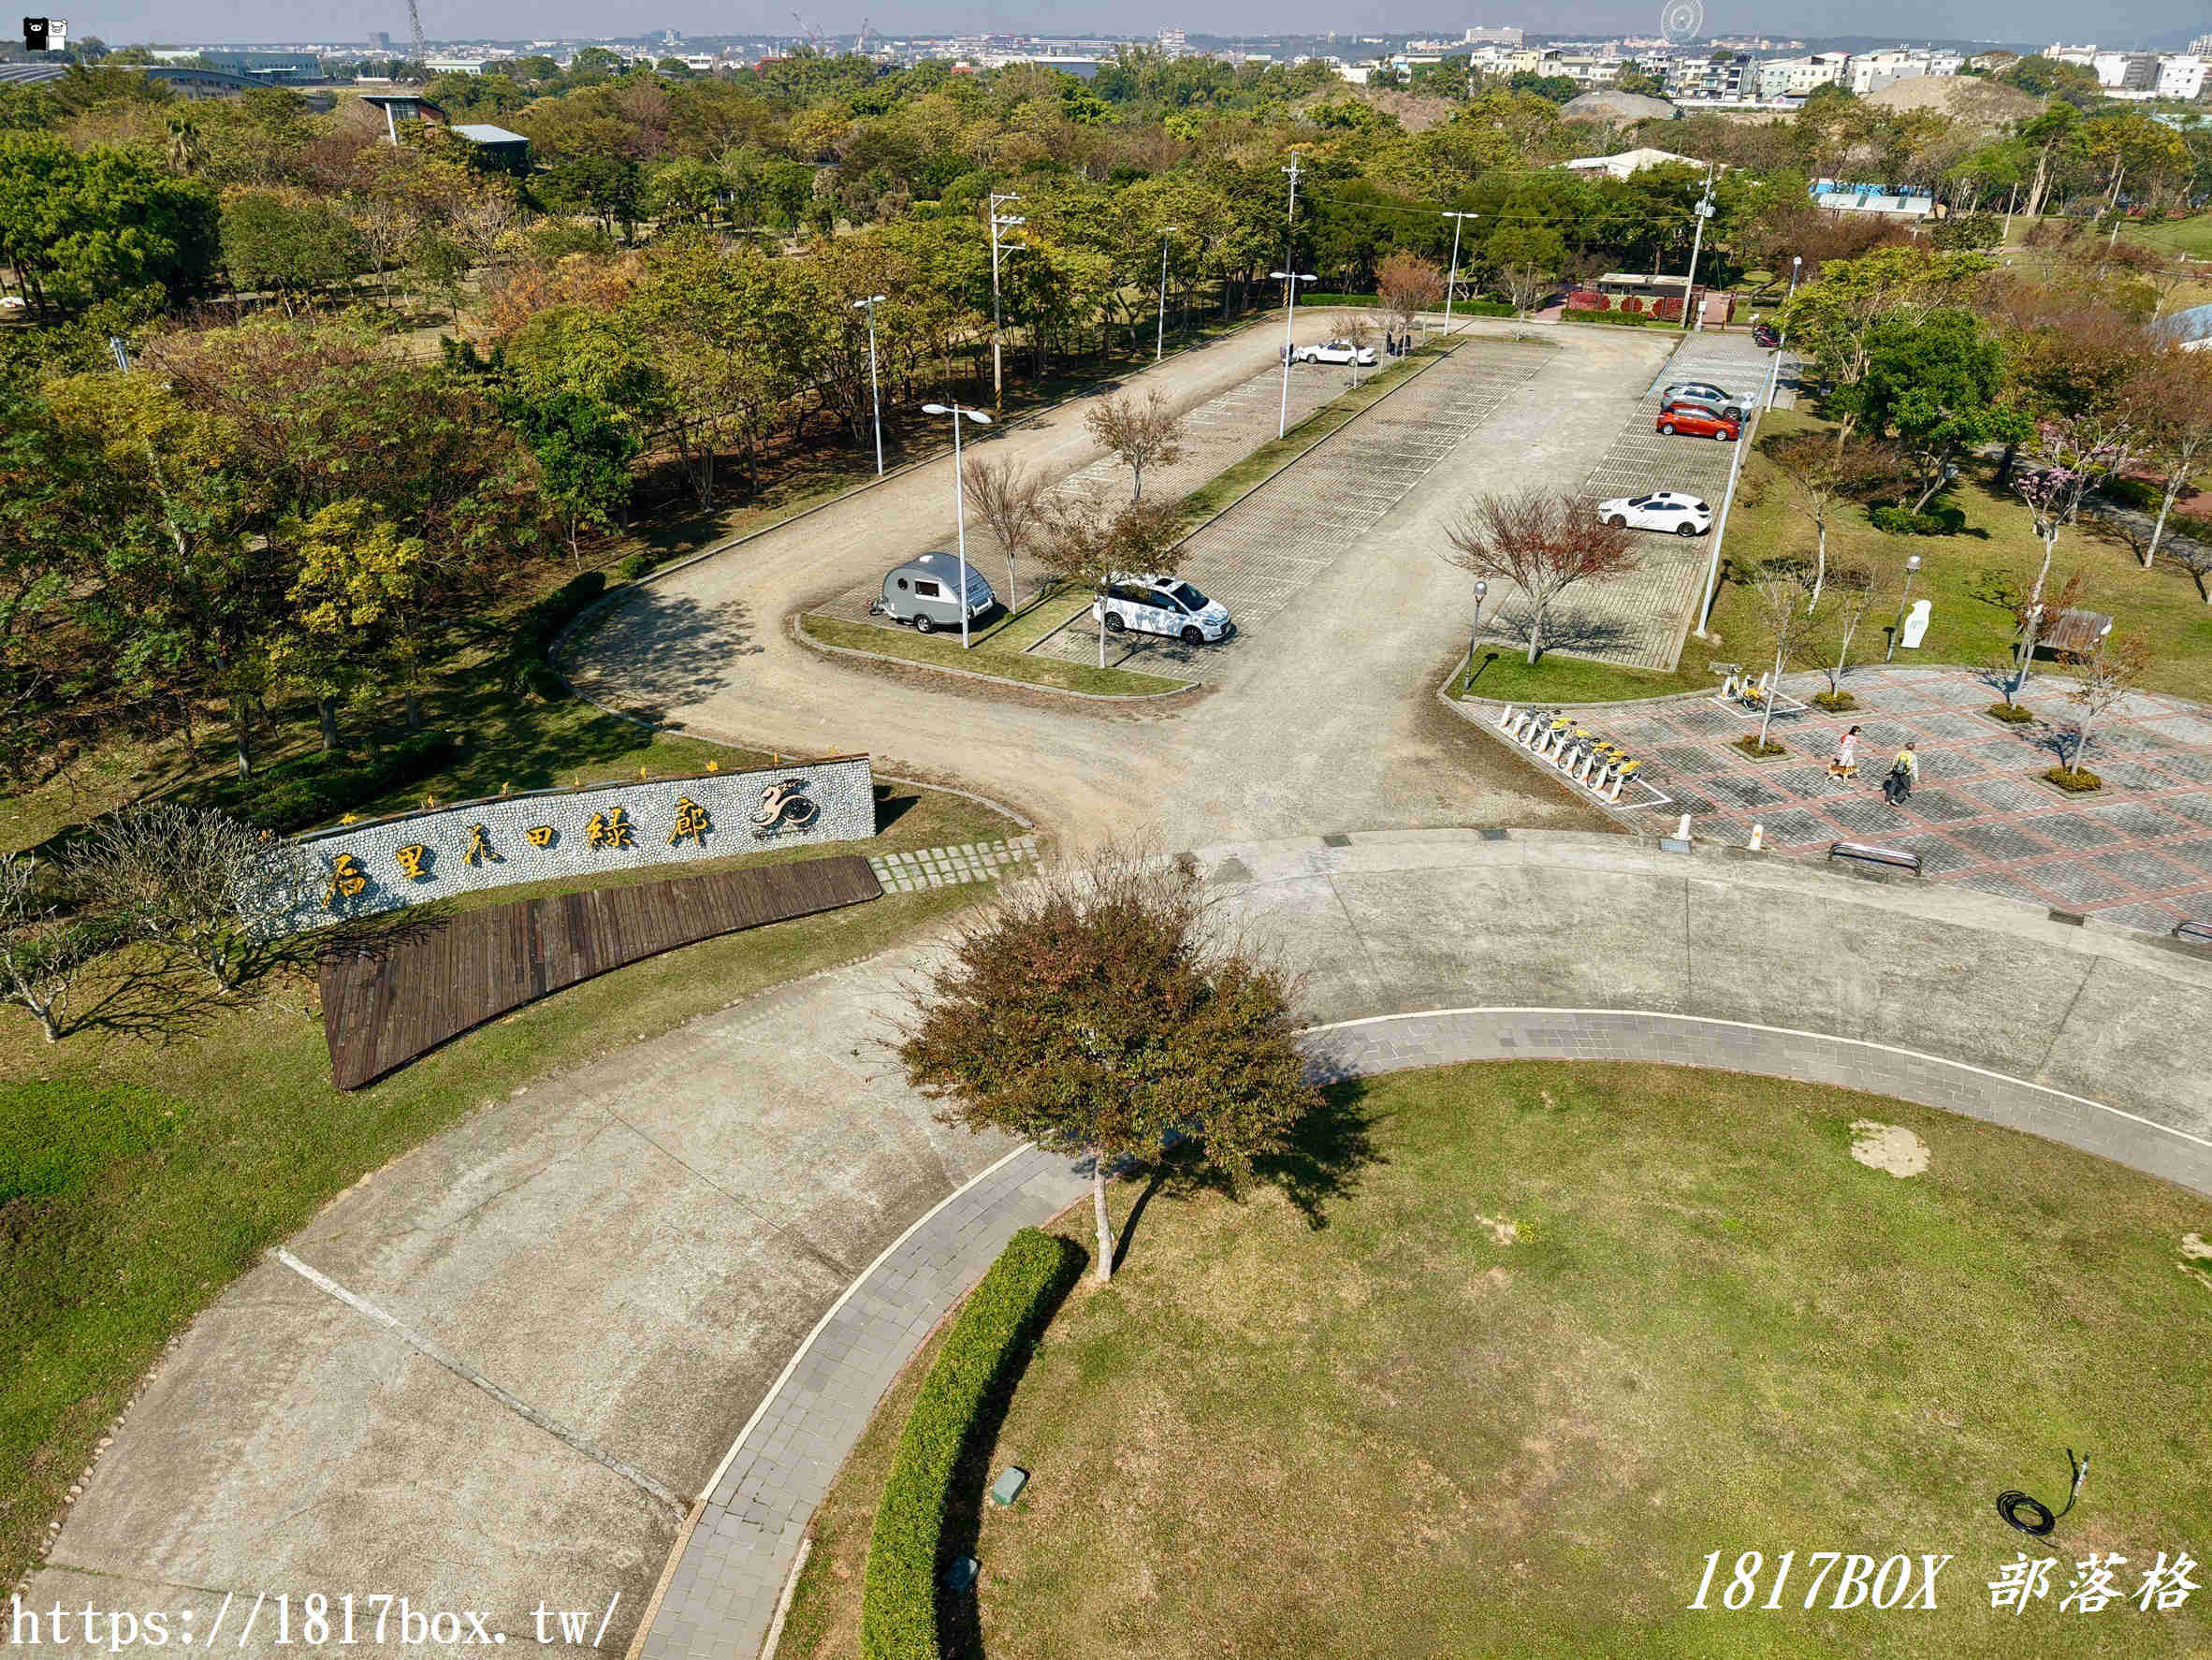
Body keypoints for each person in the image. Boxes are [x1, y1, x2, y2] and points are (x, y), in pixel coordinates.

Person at [1882, 742, 1919, 806]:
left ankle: (1888, 800)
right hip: (1905, 774)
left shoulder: (1900, 753)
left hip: (1896, 771)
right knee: (1906, 788)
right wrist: (1916, 778)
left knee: (1893, 785)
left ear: (1906, 746)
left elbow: (1894, 762)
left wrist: (1891, 770)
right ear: (1913, 748)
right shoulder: (1913, 756)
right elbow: (1915, 768)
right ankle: (1896, 800)